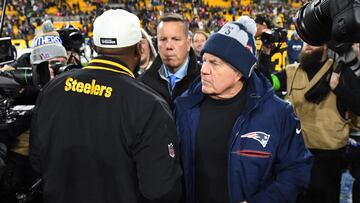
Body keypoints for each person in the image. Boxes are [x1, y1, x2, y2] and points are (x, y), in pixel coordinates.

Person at [29, 9, 182, 203]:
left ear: (94, 45)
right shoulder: (149, 104)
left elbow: (36, 161)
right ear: (139, 49)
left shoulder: (53, 89)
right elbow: (161, 190)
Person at [175, 19, 313, 203]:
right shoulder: (185, 106)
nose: (204, 70)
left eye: (215, 63)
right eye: (204, 60)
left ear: (239, 71)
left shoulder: (278, 113)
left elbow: (297, 170)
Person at [258, 42, 360, 203]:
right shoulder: (291, 72)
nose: (308, 45)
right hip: (294, 157)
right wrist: (265, 55)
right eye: (306, 40)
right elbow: (265, 84)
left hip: (328, 159)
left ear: (327, 46)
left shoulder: (341, 71)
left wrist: (340, 88)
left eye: (315, 40)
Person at [139, 13, 201, 110]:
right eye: (163, 39)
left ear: (188, 43)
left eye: (176, 39)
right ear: (157, 44)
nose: (169, 46)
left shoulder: (204, 80)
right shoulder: (142, 84)